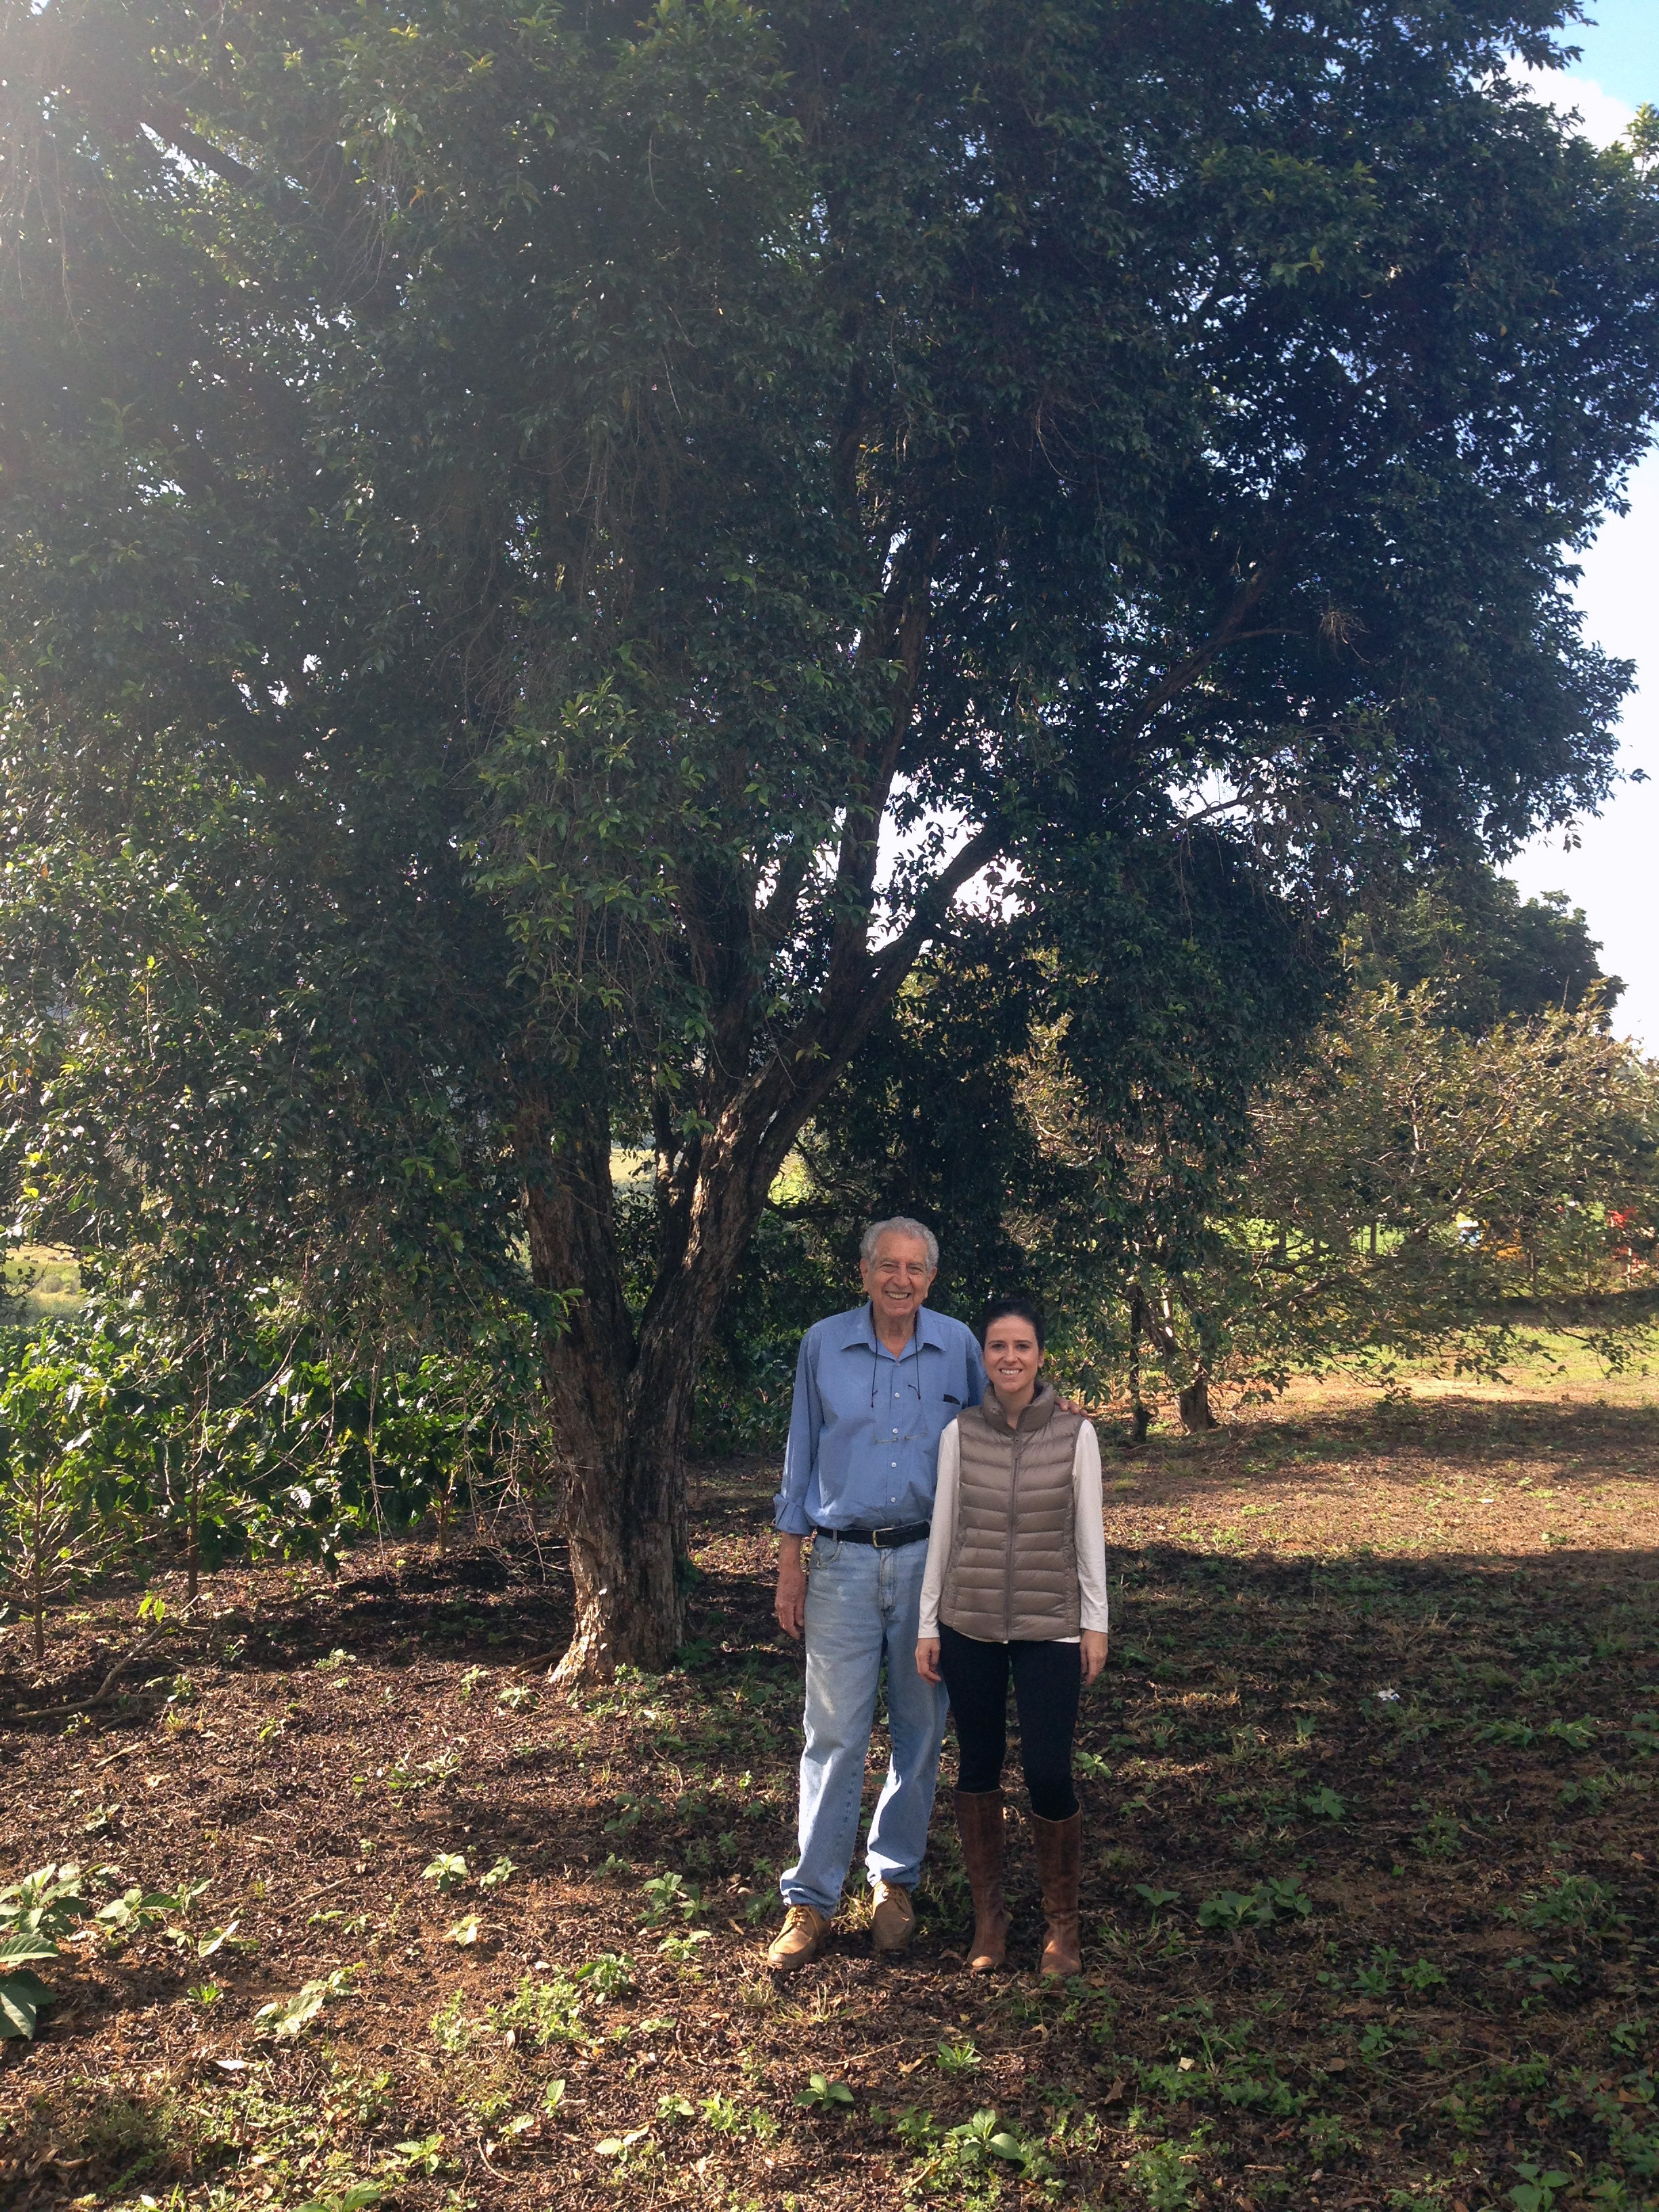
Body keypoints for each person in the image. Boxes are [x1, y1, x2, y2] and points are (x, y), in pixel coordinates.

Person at [767, 1217, 987, 1972]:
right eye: (888, 1266)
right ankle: (812, 1902)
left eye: (916, 1268)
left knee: (922, 1730)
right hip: (840, 1562)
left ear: (931, 1278)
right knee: (832, 1734)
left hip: (933, 1562)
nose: (902, 1279)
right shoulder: (823, 1344)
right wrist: (789, 1564)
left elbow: (1000, 1428)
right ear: (863, 1273)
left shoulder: (959, 1344)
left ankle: (894, 1885)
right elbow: (801, 1453)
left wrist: (1054, 1415)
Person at [916, 1297, 1107, 1978]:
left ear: (1040, 1356)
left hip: (1050, 1626)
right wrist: (927, 1623)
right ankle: (989, 1918)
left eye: (1022, 1346)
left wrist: (1095, 1622)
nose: (1009, 1358)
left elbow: (1089, 1533)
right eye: (997, 1347)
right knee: (978, 1767)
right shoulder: (960, 1433)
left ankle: (1062, 1926)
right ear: (984, 1357)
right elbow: (944, 1530)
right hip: (969, 1625)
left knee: (1051, 1771)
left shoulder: (1075, 1433)